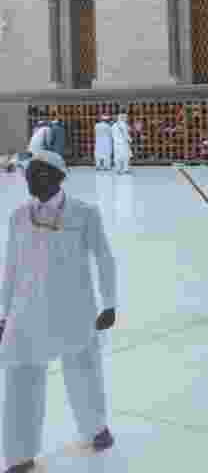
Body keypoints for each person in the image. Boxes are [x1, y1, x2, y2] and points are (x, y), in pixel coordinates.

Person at [1, 152, 117, 473]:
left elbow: (104, 259)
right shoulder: (18, 217)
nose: (29, 178)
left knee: (84, 372)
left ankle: (96, 428)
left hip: (73, 308)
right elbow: (10, 268)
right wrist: (3, 313)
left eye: (38, 173)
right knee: (20, 377)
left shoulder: (84, 213)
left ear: (58, 177)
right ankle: (19, 454)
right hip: (26, 311)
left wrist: (109, 302)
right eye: (28, 173)